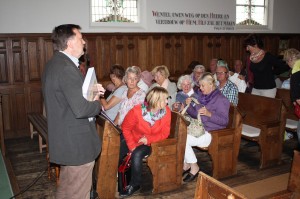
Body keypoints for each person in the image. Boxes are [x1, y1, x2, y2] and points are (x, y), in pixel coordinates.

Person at [42, 24, 105, 199]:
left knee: (66, 190)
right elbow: (82, 109)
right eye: (80, 38)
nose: (84, 41)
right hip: (77, 145)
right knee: (78, 193)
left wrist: (90, 92)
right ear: (70, 43)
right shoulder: (66, 68)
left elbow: (68, 102)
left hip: (66, 141)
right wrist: (98, 100)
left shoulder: (54, 64)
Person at [119, 87, 171, 197]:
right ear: (155, 101)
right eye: (164, 99)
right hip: (134, 139)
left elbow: (165, 134)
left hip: (153, 142)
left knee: (137, 154)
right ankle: (117, 176)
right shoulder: (137, 111)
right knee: (118, 149)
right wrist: (132, 145)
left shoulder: (166, 112)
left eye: (167, 99)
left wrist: (149, 139)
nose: (167, 101)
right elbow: (126, 128)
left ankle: (135, 184)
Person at [183, 72, 230, 182]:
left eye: (203, 85)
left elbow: (224, 121)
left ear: (211, 84)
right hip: (201, 129)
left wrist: (210, 114)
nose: (200, 88)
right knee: (181, 135)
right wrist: (188, 105)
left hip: (212, 133)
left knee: (184, 139)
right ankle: (187, 164)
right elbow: (196, 115)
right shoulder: (204, 97)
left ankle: (194, 167)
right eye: (200, 85)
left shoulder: (221, 99)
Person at [244, 34, 289, 98]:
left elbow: (284, 66)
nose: (247, 49)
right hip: (256, 88)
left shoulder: (268, 56)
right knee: (254, 107)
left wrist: (273, 72)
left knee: (266, 108)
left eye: (248, 46)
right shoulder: (251, 58)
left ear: (255, 45)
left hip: (268, 89)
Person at [283, 48, 300, 149]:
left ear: (290, 59)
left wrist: (296, 99)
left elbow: (296, 92)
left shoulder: (296, 72)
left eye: (286, 61)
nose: (287, 63)